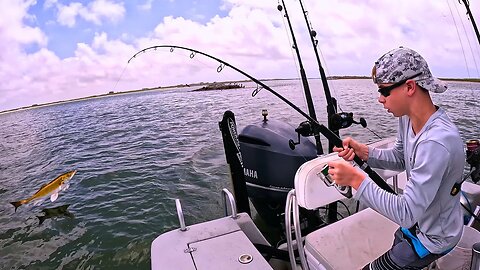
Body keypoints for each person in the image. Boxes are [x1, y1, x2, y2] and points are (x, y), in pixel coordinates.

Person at [327, 46, 465, 269]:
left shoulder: (436, 142)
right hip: (418, 225)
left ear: (409, 87)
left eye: (384, 91)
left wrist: (356, 180)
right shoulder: (408, 118)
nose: (380, 99)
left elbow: (406, 213)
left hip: (433, 239)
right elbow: (401, 157)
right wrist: (364, 153)